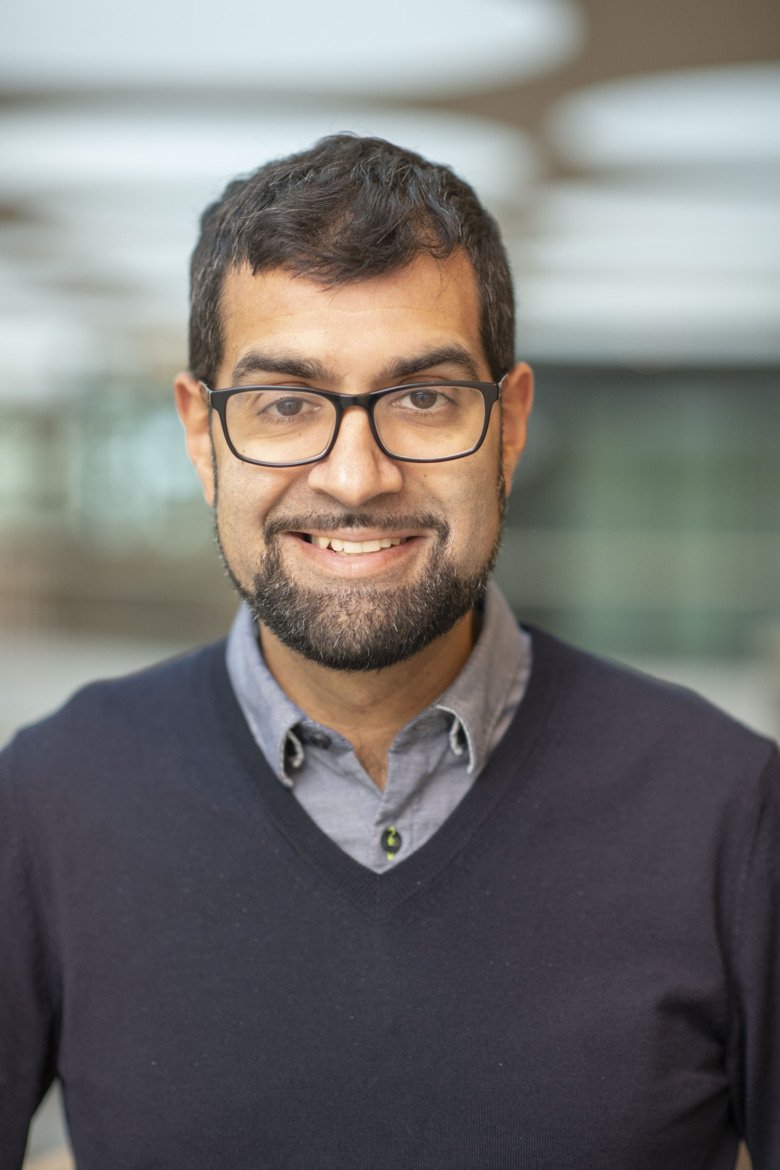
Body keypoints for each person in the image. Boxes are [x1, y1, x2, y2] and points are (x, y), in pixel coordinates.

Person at [0, 135, 777, 1170]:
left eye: (423, 398)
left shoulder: (731, 811)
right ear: (201, 436)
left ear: (508, 427)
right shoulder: (50, 801)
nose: (357, 477)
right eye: (285, 405)